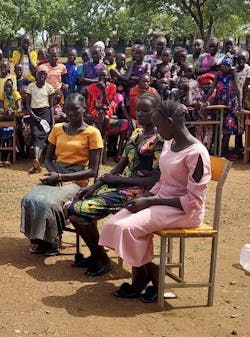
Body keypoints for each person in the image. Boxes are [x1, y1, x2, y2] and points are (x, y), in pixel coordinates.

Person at [100, 99, 211, 303]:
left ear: (171, 122)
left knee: (128, 229)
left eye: (159, 125)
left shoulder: (196, 154)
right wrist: (147, 197)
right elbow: (162, 180)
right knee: (113, 224)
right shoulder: (170, 143)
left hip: (185, 210)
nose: (157, 130)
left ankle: (153, 278)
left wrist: (150, 203)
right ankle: (145, 276)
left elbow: (193, 201)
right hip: (161, 201)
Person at [66, 93, 164, 276]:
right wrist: (94, 186)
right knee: (72, 206)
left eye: (145, 111)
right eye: (138, 110)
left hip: (140, 192)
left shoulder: (160, 139)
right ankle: (97, 254)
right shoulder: (136, 133)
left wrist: (116, 180)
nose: (140, 114)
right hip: (122, 185)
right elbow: (120, 166)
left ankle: (102, 259)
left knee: (78, 210)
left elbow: (153, 180)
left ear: (156, 112)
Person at [20, 94, 103, 256]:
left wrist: (60, 178)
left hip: (77, 180)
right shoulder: (58, 129)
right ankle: (38, 239)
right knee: (30, 198)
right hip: (55, 173)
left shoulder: (92, 133)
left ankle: (52, 239)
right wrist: (53, 173)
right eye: (68, 110)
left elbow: (93, 170)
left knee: (50, 203)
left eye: (76, 110)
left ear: (84, 109)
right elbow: (47, 158)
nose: (71, 113)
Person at [24, 67, 57, 174]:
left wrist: (53, 121)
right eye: (40, 74)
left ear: (47, 76)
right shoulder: (30, 87)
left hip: (45, 113)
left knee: (42, 136)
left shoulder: (49, 88)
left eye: (44, 74)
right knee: (35, 134)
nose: (42, 76)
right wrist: (33, 116)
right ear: (36, 75)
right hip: (34, 113)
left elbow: (51, 106)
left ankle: (36, 160)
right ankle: (37, 160)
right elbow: (28, 105)